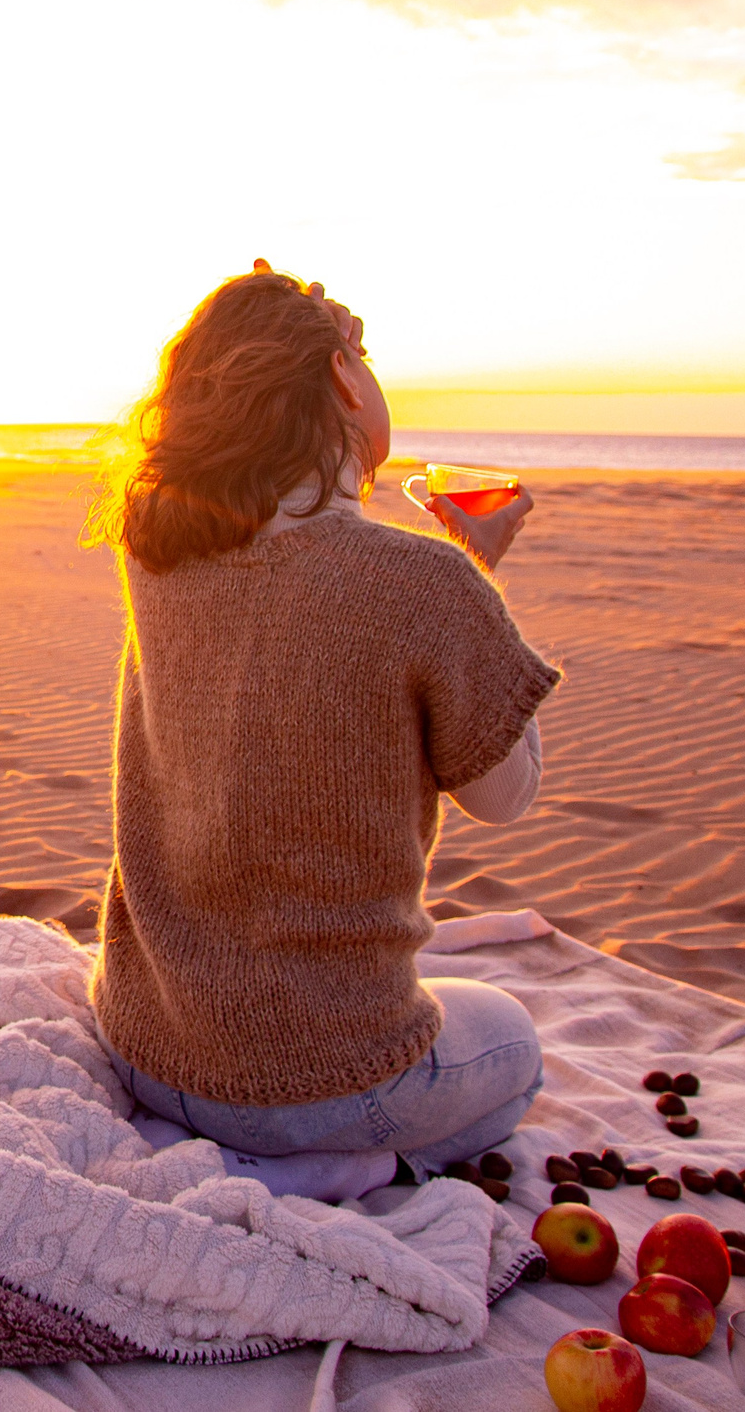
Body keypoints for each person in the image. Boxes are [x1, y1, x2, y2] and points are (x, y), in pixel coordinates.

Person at [82, 261, 558, 1202]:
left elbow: (302, 592)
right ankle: (341, 1166)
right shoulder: (423, 582)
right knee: (515, 1042)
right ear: (344, 380)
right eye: (366, 354)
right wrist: (478, 576)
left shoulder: (160, 544)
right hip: (320, 1088)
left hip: (143, 1039)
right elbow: (508, 798)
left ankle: (269, 1146)